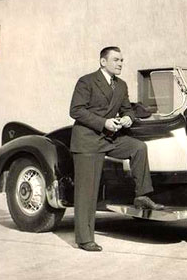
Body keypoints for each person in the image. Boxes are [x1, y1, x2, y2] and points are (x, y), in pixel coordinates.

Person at [69, 46, 164, 252]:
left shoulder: (121, 85)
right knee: (87, 191)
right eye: (116, 60)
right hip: (87, 140)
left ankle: (141, 195)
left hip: (110, 138)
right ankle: (85, 239)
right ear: (103, 62)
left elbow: (127, 108)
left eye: (122, 60)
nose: (120, 63)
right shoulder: (86, 81)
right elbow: (76, 110)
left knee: (138, 147)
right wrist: (104, 122)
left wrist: (129, 117)